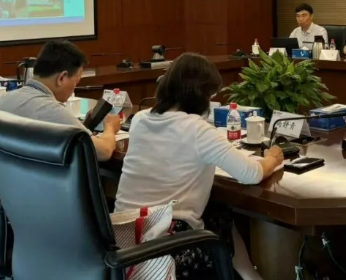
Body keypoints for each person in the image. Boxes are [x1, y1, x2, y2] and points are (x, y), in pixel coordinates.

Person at [115, 53, 284, 280]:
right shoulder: (197, 130)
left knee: (217, 211)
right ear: (200, 95)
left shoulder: (140, 119)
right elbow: (251, 173)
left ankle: (249, 275)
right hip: (164, 248)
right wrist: (272, 158)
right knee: (219, 219)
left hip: (123, 239)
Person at [0, 39, 119, 161]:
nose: (74, 87)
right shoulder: (52, 110)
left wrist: (82, 126)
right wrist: (110, 127)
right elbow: (103, 152)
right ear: (61, 78)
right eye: (76, 82)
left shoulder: (5, 99)